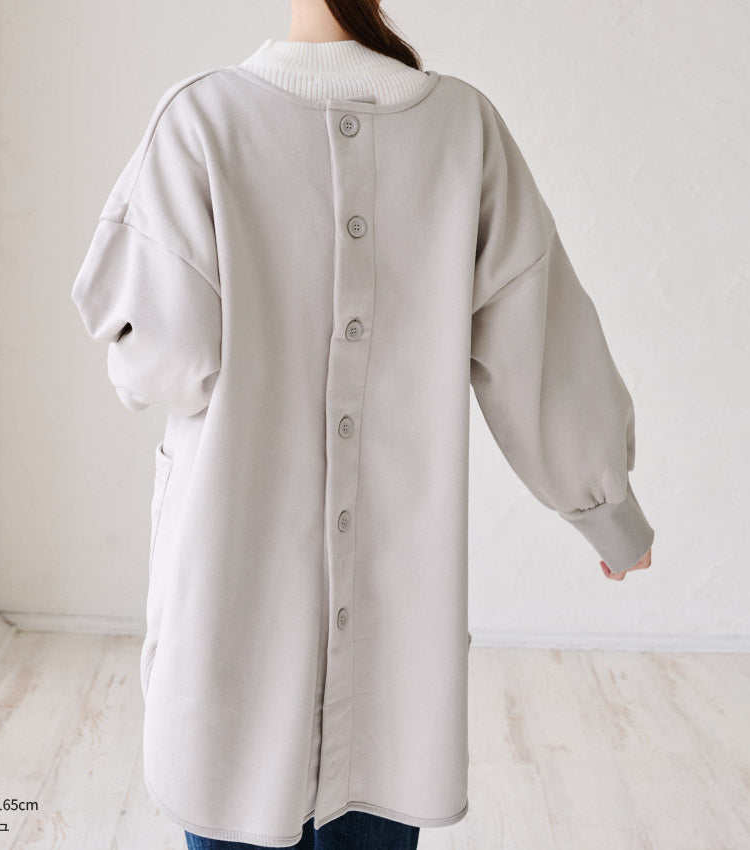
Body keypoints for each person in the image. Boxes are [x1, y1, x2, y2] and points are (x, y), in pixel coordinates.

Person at [70, 0, 655, 848]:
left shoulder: (202, 122)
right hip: (396, 650)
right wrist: (609, 513)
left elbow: (160, 363)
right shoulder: (463, 128)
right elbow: (540, 346)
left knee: (229, 792)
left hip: (233, 610)